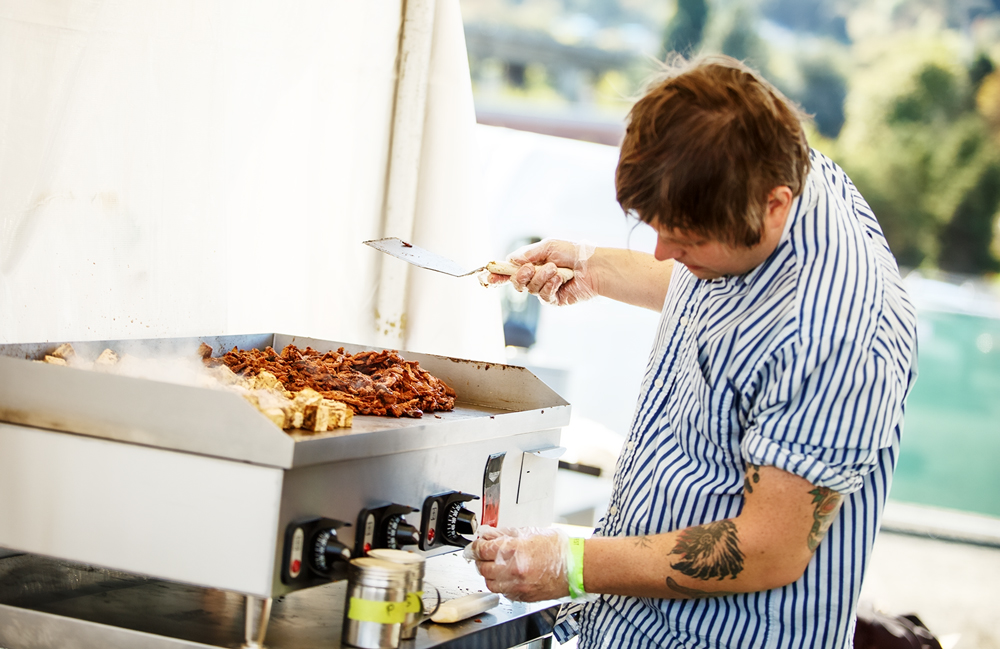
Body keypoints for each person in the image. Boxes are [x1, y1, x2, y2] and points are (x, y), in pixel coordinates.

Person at [468, 54, 919, 649]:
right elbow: (721, 285)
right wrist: (594, 266)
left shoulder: (838, 337)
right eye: (657, 228)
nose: (659, 254)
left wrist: (570, 563)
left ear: (774, 205)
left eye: (684, 239)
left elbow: (768, 548)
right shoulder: (769, 166)